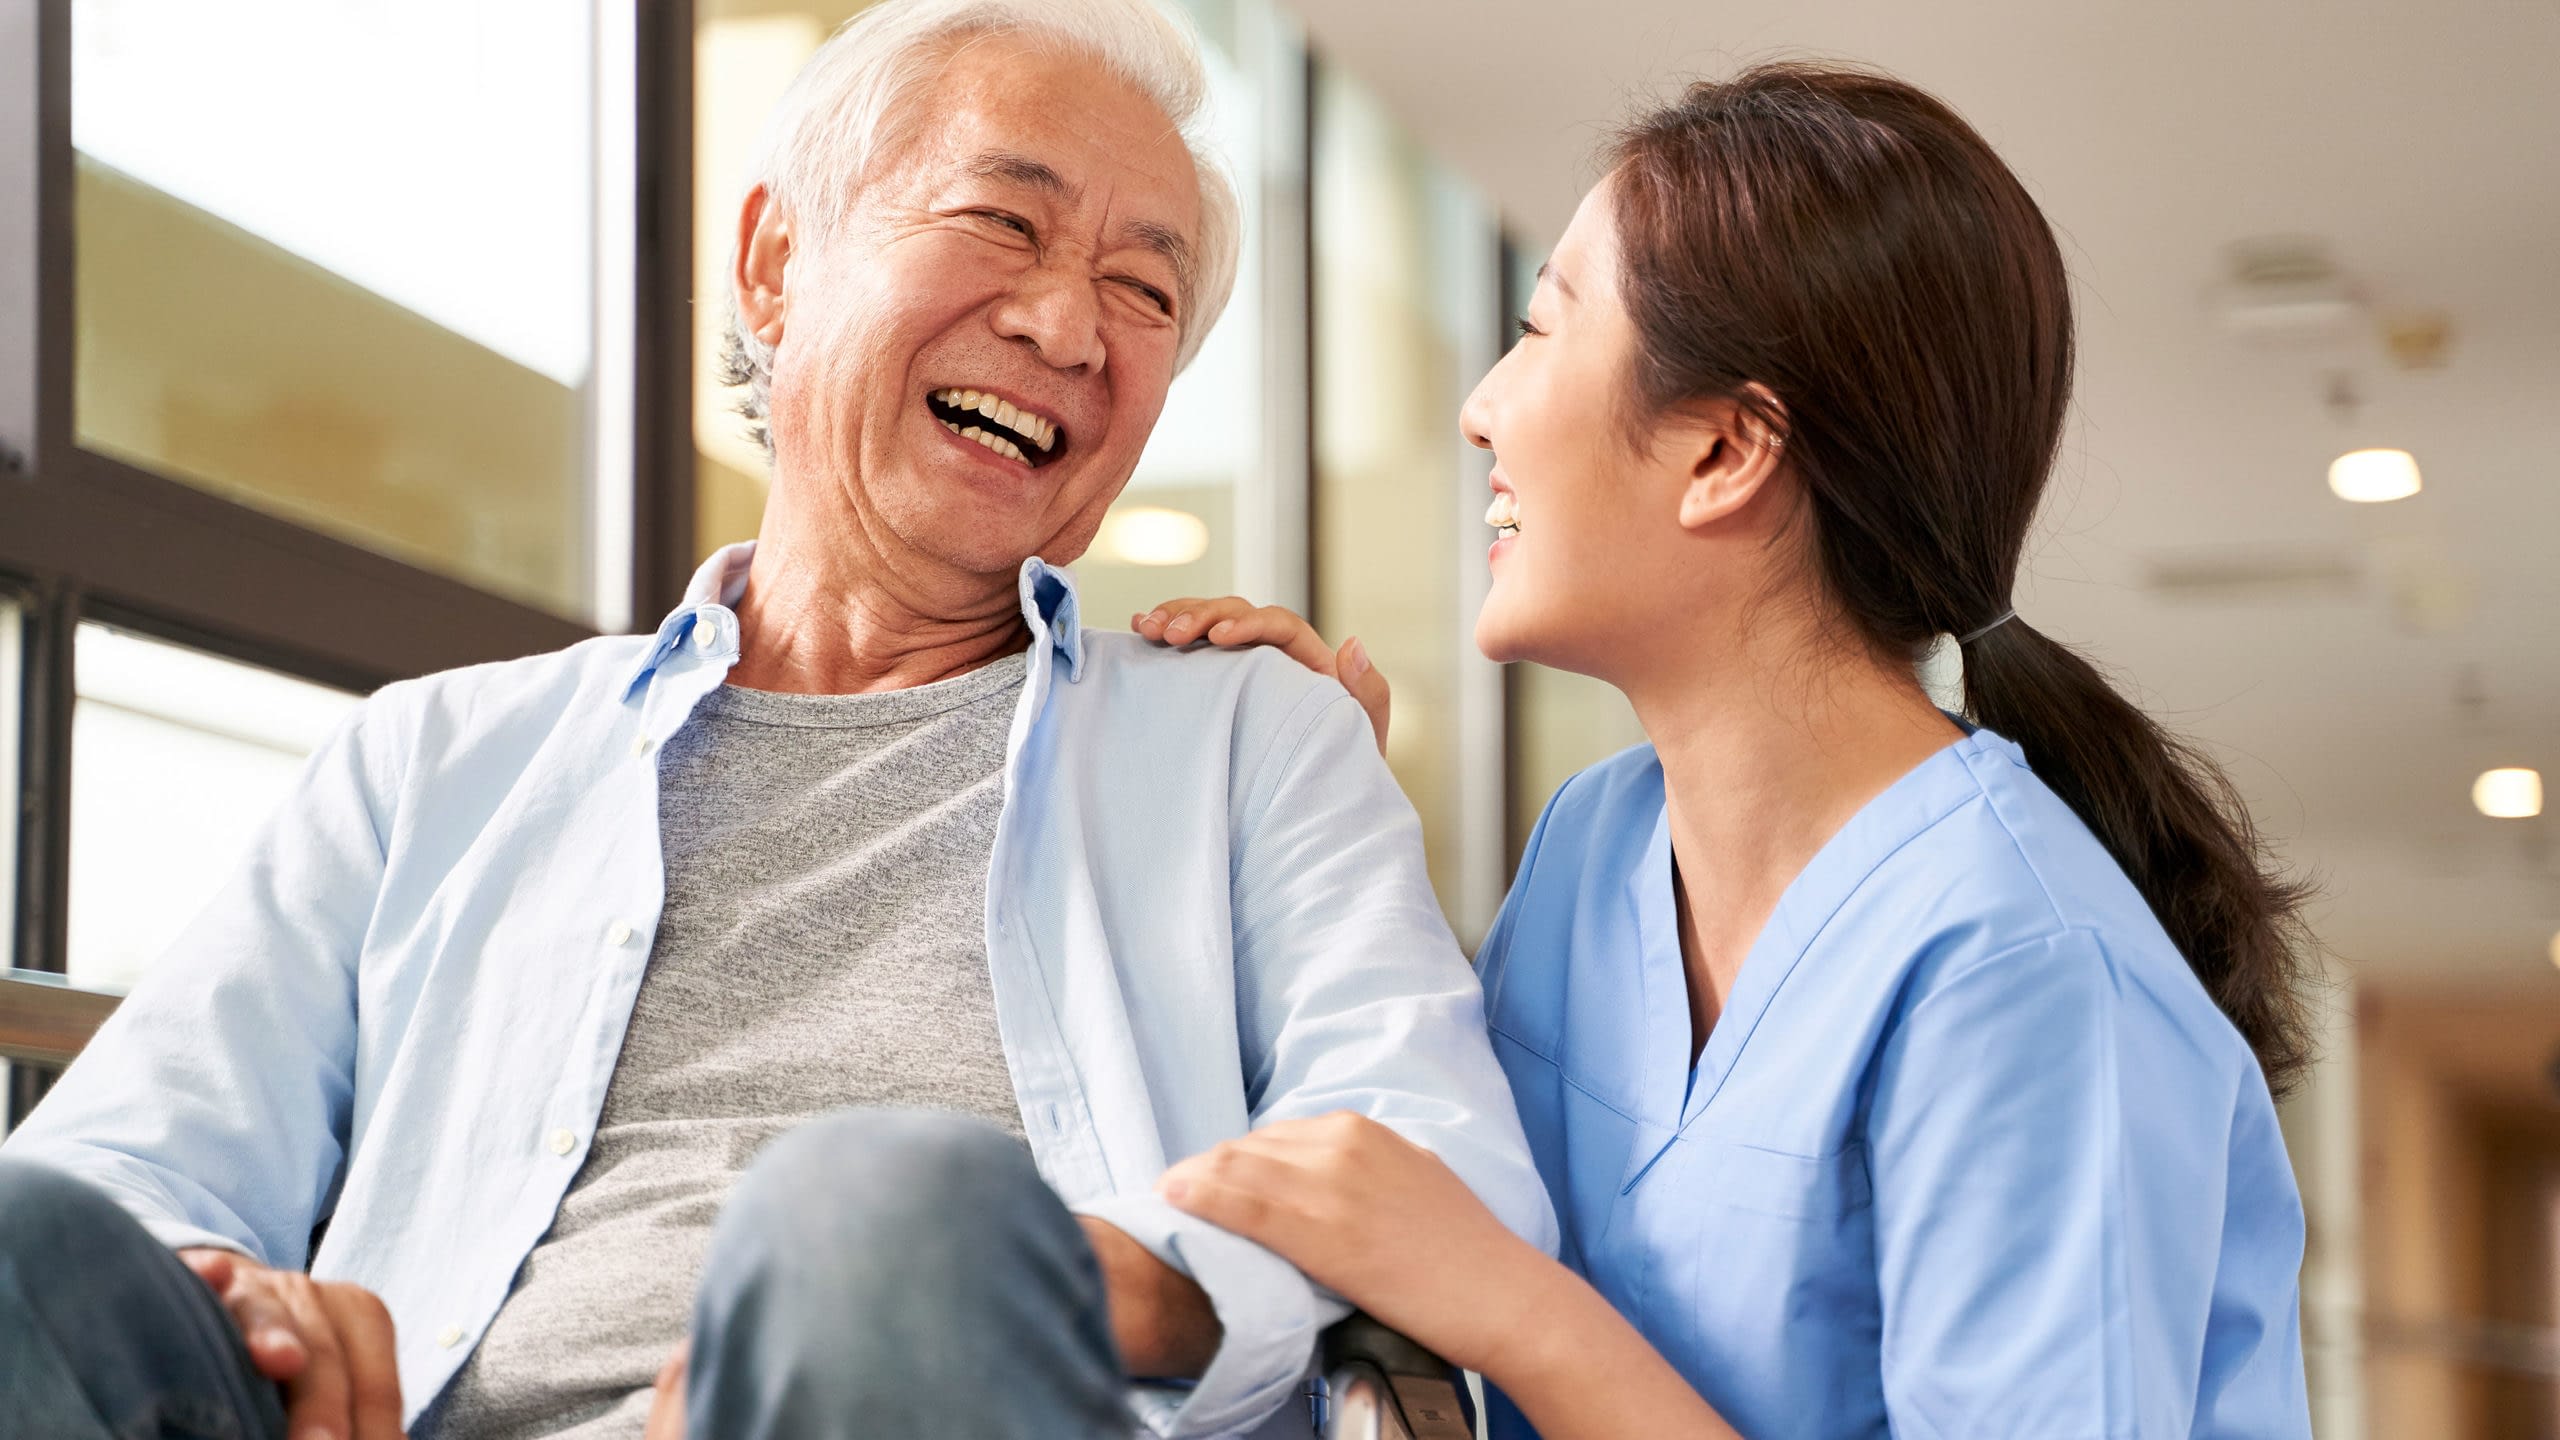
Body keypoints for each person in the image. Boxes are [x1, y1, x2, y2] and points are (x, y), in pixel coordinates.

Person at [0, 3, 1552, 1438]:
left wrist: (1046, 1276)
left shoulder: (1248, 739)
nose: (1072, 326)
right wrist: (232, 1283)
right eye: (1004, 220)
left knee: (885, 1209)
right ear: (773, 267)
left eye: (1143, 290)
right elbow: (122, 1164)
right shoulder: (436, 759)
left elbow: (1428, 1145)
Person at [1138, 62, 2316, 1440]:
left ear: (1726, 451)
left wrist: (1510, 1305)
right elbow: (1418, 1204)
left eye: (1535, 330)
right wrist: (1317, 839)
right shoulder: (1596, 846)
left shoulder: (2024, 967)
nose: (1480, 409)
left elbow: (1472, 1272)